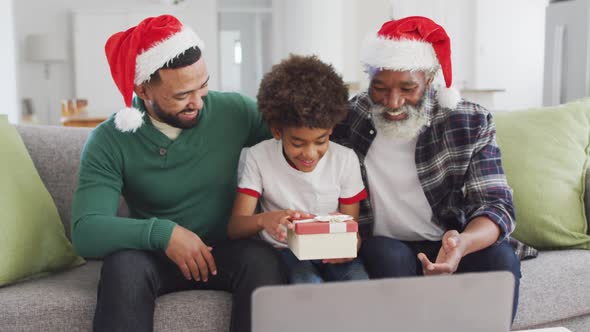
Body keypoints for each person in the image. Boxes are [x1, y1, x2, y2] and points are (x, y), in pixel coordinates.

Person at [71, 15, 285, 332]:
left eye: (203, 86)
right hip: (154, 255)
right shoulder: (110, 139)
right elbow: (86, 231)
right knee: (123, 266)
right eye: (182, 95)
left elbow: (299, 131)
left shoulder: (233, 111)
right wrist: (164, 233)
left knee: (262, 261)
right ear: (143, 89)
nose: (198, 102)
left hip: (226, 249)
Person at [333, 16, 522, 320]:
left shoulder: (469, 121)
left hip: (450, 238)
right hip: (384, 244)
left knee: (502, 259)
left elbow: (495, 205)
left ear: (430, 80)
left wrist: (461, 244)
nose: (392, 102)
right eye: (379, 88)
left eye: (408, 88)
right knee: (384, 253)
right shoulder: (348, 119)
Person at [227, 55, 369, 284]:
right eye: (297, 143)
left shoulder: (345, 160)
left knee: (358, 284)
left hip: (332, 251)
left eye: (320, 141)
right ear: (277, 132)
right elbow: (235, 227)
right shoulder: (259, 157)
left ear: (331, 129)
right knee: (308, 285)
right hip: (286, 252)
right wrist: (265, 220)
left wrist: (350, 243)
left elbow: (353, 232)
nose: (310, 154)